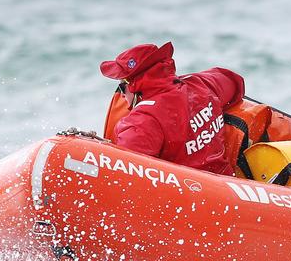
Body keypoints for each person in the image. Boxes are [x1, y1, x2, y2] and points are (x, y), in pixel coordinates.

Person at [100, 41, 245, 175]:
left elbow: (124, 177)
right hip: (226, 182)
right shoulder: (200, 85)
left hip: (190, 195)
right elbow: (234, 82)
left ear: (134, 86)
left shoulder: (142, 122)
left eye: (121, 86)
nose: (122, 95)